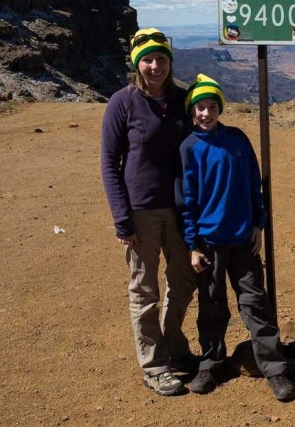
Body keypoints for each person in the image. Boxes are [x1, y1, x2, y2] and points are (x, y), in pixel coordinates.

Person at [179, 74, 295, 402]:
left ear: (220, 108)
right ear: (192, 111)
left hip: (244, 239)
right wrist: (192, 244)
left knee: (255, 304)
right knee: (212, 305)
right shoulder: (188, 147)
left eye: (212, 106)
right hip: (208, 243)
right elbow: (187, 200)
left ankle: (274, 369)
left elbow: (252, 184)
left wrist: (258, 224)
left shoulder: (237, 139)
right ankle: (210, 362)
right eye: (200, 107)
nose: (206, 113)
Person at [100, 28, 198, 396]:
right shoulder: (121, 103)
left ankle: (173, 343)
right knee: (145, 289)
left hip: (179, 208)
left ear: (170, 62)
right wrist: (121, 218)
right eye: (148, 59)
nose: (155, 66)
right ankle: (154, 365)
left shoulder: (183, 100)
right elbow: (110, 163)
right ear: (136, 64)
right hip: (140, 210)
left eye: (161, 59)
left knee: (185, 281)